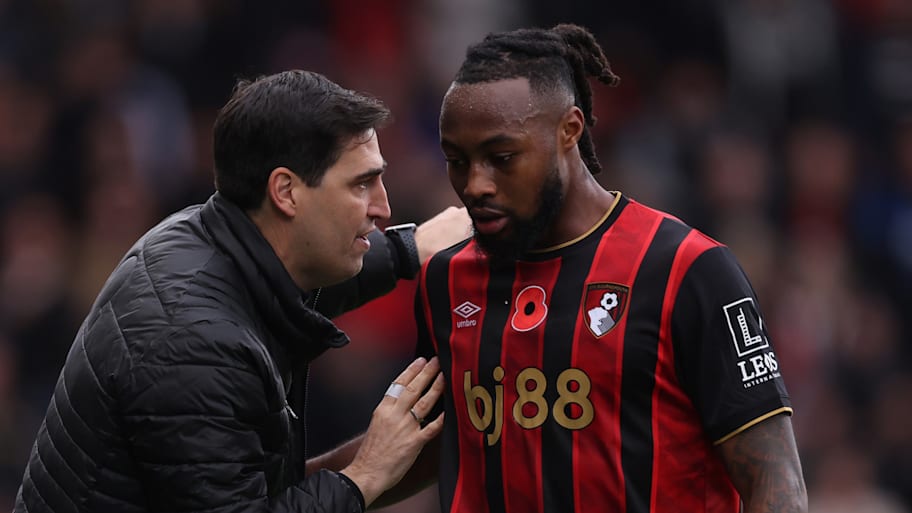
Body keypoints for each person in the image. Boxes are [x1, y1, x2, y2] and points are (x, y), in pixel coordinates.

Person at [13, 69, 471, 513]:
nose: (383, 207)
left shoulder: (201, 236)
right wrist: (367, 473)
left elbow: (290, 285)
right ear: (286, 192)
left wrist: (409, 249)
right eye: (362, 184)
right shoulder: (193, 345)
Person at [412, 23, 809, 512]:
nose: (475, 184)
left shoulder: (688, 270)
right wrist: (305, 491)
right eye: (457, 160)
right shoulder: (444, 282)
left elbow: (776, 480)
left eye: (501, 157)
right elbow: (423, 446)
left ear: (569, 130)